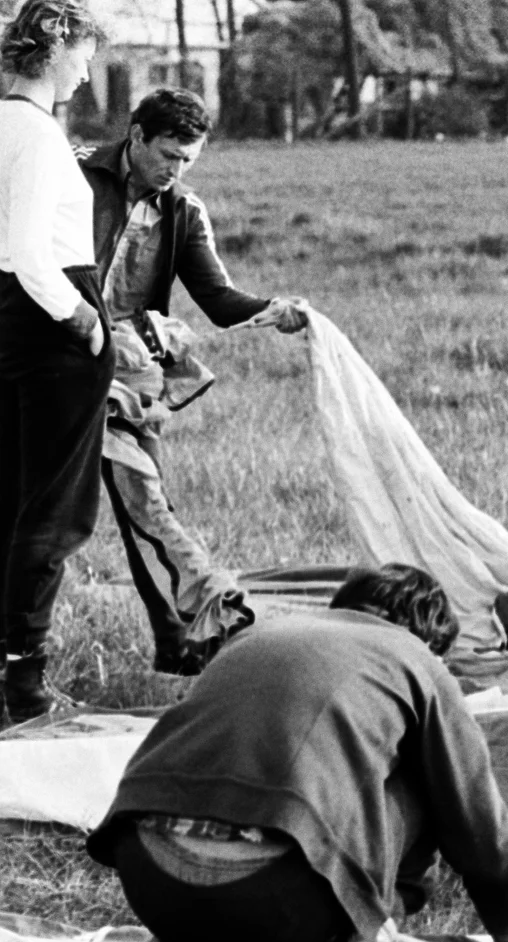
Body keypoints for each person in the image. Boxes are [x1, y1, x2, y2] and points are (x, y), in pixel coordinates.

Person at [86, 564, 508, 942]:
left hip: (149, 880)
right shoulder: (417, 660)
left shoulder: (253, 637)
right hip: (285, 895)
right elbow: (480, 829)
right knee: (427, 779)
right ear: (430, 642)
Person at [77, 87, 308, 677]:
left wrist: (274, 309)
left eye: (188, 160)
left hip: (133, 373)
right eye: (168, 156)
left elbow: (218, 299)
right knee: (77, 509)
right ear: (136, 137)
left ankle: (179, 645)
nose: (175, 171)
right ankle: (206, 609)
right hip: (59, 360)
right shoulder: (74, 177)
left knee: (144, 504)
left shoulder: (182, 210)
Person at [0, 0, 111, 725]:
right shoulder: (38, 136)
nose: (86, 73)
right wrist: (82, 318)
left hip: (9, 317)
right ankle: (27, 682)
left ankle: (9, 674)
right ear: (55, 47)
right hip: (51, 314)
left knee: (12, 497)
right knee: (54, 509)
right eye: (84, 57)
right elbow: (29, 250)